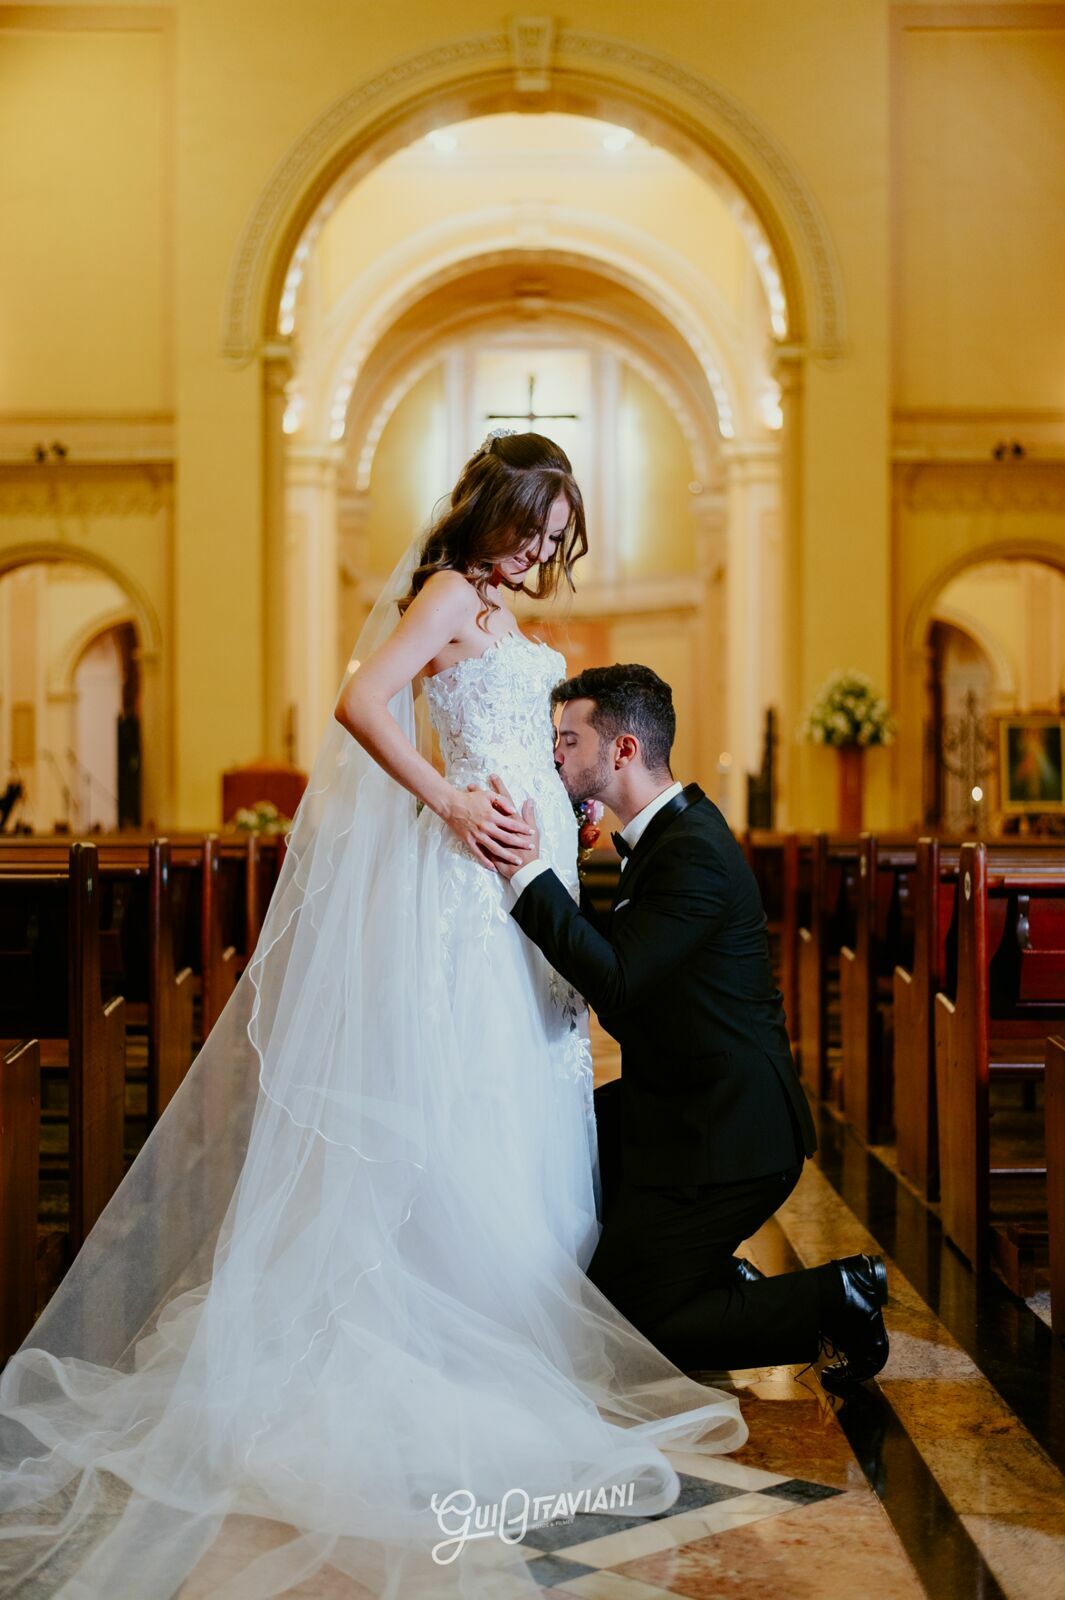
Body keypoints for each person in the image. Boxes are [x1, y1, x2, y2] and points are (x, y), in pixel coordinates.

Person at [0, 436, 745, 1600]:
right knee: (462, 1105)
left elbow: (518, 741)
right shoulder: (448, 589)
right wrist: (450, 795)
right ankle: (450, 1340)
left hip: (520, 894)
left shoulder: (494, 606)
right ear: (495, 504)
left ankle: (514, 1333)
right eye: (533, 528)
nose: (540, 554)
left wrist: (565, 811)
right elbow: (363, 700)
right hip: (461, 891)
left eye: (558, 541)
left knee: (528, 1094)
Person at [489, 663, 890, 1392]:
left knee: (626, 1325)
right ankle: (703, 1270)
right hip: (673, 1107)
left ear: (621, 751)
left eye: (568, 740)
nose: (555, 755)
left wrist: (525, 870)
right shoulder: (667, 836)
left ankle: (835, 1296)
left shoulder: (694, 852)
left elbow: (612, 977)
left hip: (730, 1136)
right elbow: (628, 982)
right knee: (553, 1147)